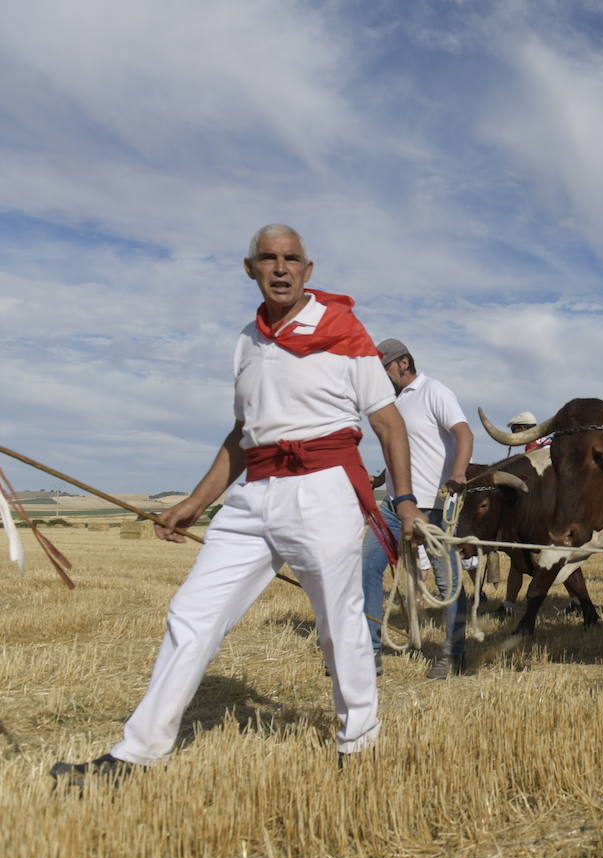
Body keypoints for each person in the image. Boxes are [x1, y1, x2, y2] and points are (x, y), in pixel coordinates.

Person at [51, 224, 421, 787]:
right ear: (250, 269)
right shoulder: (246, 340)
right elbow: (243, 435)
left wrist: (408, 502)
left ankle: (359, 747)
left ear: (308, 269)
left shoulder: (343, 330)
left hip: (323, 489)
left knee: (337, 624)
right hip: (251, 500)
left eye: (291, 258)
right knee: (191, 614)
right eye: (268, 259)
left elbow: (388, 424)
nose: (280, 268)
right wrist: (196, 503)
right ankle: (136, 754)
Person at [363, 339, 474, 679]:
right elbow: (401, 449)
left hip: (433, 505)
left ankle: (453, 653)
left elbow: (464, 432)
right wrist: (382, 478)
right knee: (366, 566)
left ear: (404, 363)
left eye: (384, 370)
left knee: (447, 583)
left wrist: (457, 472)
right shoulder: (391, 404)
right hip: (394, 505)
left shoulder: (434, 391)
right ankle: (369, 652)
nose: (381, 378)